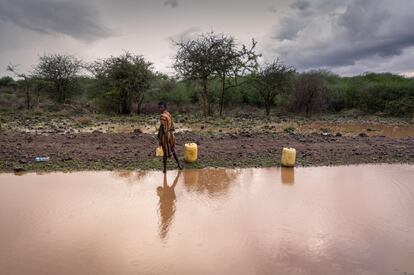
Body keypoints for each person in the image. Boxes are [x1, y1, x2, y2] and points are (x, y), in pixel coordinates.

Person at [157, 101, 182, 173]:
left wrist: (160, 138)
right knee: (173, 150)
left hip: (166, 136)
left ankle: (164, 170)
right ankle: (179, 165)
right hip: (171, 135)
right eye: (159, 107)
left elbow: (162, 128)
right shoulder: (168, 114)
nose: (160, 109)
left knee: (165, 153)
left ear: (165, 107)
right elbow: (171, 126)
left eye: (161, 107)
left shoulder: (162, 116)